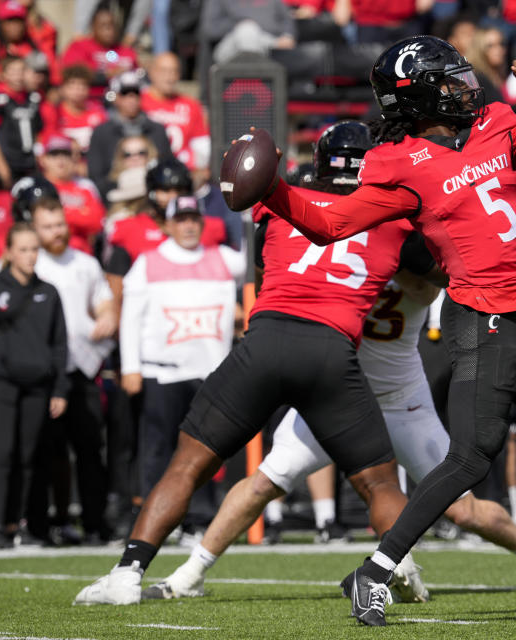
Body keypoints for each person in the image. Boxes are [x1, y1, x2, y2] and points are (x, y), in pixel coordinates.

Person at [248, 38, 516, 624]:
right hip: (480, 313)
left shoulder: (495, 121)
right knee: (472, 456)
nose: (468, 87)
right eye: (452, 79)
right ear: (420, 96)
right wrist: (274, 191)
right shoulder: (396, 162)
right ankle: (375, 571)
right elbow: (331, 222)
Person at [143, 129, 516, 598]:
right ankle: (184, 578)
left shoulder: (382, 232)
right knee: (268, 483)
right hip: (340, 388)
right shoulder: (401, 233)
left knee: (458, 507)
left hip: (388, 391)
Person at [73, 120, 422, 606]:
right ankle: (395, 567)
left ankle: (127, 574)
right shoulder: (396, 221)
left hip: (265, 341)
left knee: (188, 464)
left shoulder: (280, 206)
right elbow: (431, 265)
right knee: (379, 481)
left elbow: (262, 263)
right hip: (330, 353)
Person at [118, 195, 245, 541]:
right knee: (158, 448)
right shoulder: (149, 262)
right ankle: (154, 519)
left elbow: (258, 259)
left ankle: (197, 519)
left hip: (208, 372)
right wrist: (130, 366)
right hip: (163, 370)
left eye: (193, 218)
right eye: (181, 219)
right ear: (168, 225)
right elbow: (130, 319)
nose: (188, 225)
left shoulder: (221, 259)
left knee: (202, 451)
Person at [30, 198, 116, 543]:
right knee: (44, 452)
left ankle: (94, 524)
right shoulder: (30, 263)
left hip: (82, 366)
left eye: (60, 224)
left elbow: (104, 299)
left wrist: (108, 315)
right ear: (34, 229)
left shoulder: (84, 263)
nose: (56, 232)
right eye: (48, 226)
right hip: (43, 370)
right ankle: (45, 523)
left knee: (90, 448)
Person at [0, 221, 67, 548]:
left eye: (34, 249)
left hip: (38, 385)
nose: (31, 256)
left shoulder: (48, 291)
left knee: (30, 458)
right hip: (1, 383)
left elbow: (60, 344)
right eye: (24, 249)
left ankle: (22, 524)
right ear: (9, 252)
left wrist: (59, 388)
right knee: (2, 455)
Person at [87, 71, 173, 200]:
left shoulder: (157, 130)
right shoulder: (102, 133)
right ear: (116, 97)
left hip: (152, 197)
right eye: (125, 94)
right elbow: (96, 175)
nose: (131, 99)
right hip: (114, 198)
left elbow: (166, 166)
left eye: (135, 94)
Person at [141, 53, 210, 171]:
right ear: (151, 72)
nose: (170, 77)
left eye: (174, 71)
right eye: (164, 71)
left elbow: (202, 147)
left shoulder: (191, 105)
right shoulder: (139, 102)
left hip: (183, 170)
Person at [0, 55, 44, 185]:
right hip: (8, 160)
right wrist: (0, 164)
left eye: (22, 70)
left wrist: (39, 156)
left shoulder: (33, 98)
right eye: (13, 72)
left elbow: (38, 131)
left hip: (29, 162)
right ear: (3, 75)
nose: (18, 76)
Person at [38, 135, 105, 254]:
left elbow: (97, 222)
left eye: (65, 154)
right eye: (54, 154)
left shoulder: (85, 187)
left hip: (82, 254)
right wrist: (79, 214)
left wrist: (64, 214)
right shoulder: (37, 187)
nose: (60, 159)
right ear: (43, 160)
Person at [60, 3, 138, 102]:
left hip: (123, 103)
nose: (110, 31)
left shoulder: (127, 51)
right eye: (104, 26)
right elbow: (72, 76)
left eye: (113, 26)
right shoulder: (79, 46)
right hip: (92, 100)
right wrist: (107, 75)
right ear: (93, 27)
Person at [54, 65, 107, 155]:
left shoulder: (97, 112)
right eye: (72, 85)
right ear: (63, 88)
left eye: (83, 85)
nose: (78, 90)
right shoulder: (55, 113)